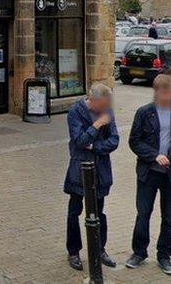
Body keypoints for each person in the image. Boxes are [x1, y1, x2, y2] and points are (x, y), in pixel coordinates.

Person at [125, 74, 171, 275]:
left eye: (170, 92)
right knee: (143, 214)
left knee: (169, 217)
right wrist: (154, 156)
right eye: (164, 92)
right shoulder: (144, 113)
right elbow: (134, 141)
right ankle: (139, 252)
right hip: (148, 173)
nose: (168, 96)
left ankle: (164, 255)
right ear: (156, 92)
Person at [63, 83, 120, 271]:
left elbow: (114, 140)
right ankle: (73, 251)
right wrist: (96, 125)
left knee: (99, 213)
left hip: (101, 170)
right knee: (74, 212)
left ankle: (100, 249)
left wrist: (95, 147)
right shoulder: (75, 112)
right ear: (93, 100)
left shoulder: (108, 111)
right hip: (79, 169)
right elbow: (79, 141)